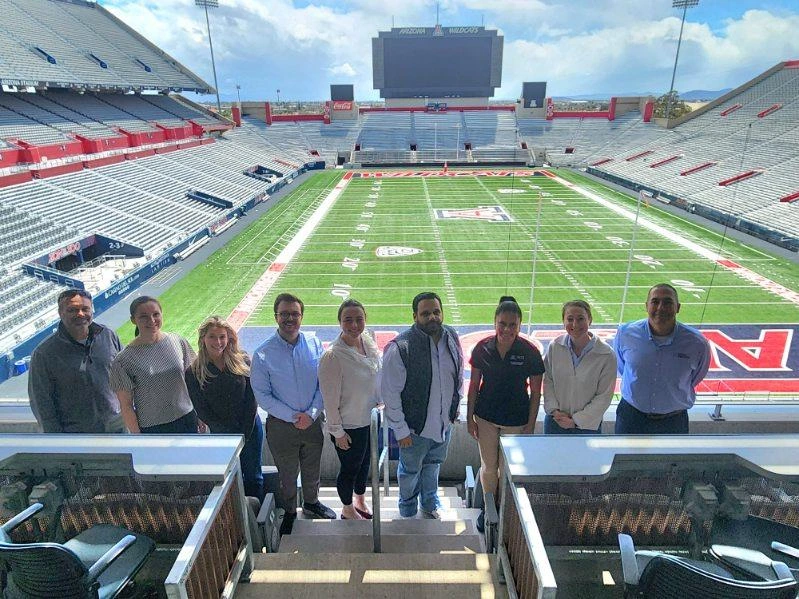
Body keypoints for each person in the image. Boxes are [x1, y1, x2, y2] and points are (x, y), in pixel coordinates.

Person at [251, 293, 335, 534]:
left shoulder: (314, 343)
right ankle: (289, 511)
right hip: (281, 425)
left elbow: (323, 382)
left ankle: (311, 503)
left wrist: (312, 412)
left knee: (312, 467)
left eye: (295, 314)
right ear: (276, 316)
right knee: (287, 474)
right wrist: (293, 416)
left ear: (302, 316)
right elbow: (262, 394)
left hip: (313, 420)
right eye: (284, 314)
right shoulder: (263, 353)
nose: (290, 318)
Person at [382, 291, 464, 519]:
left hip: (443, 424)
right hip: (414, 428)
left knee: (433, 465)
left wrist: (453, 411)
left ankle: (429, 504)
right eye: (425, 313)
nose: (432, 317)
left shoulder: (451, 336)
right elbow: (390, 394)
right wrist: (400, 429)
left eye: (436, 312)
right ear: (415, 316)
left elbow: (457, 377)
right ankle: (407, 511)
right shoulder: (401, 347)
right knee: (409, 471)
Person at [467, 296, 544, 530]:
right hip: (486, 416)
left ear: (520, 325)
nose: (507, 329)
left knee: (508, 467)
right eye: (503, 323)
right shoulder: (482, 348)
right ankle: (489, 511)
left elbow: (536, 394)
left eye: (512, 324)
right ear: (495, 323)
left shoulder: (529, 352)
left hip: (516, 418)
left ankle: (505, 509)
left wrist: (530, 424)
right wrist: (469, 417)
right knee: (489, 466)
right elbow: (473, 386)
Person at [614, 283, 711, 434]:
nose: (660, 307)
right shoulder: (625, 334)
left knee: (670, 459)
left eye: (667, 302)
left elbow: (696, 376)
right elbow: (623, 367)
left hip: (674, 421)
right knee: (626, 458)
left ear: (678, 307)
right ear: (646, 306)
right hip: (631, 417)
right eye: (655, 302)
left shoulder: (696, 343)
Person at [185, 316, 264, 501]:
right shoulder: (194, 371)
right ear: (203, 338)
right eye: (212, 336)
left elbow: (252, 399)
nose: (218, 342)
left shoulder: (242, 359)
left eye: (222, 336)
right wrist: (226, 433)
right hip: (222, 435)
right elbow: (201, 409)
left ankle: (256, 521)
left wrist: (244, 432)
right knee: (228, 479)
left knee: (254, 476)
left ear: (229, 338)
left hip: (251, 428)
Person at [28, 289, 125, 433]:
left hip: (118, 427)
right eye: (72, 310)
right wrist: (58, 440)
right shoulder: (44, 354)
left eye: (85, 309)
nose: (80, 314)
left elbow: (124, 375)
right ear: (61, 313)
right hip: (77, 434)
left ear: (91, 310)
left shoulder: (108, 336)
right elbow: (41, 403)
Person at [318, 299, 380, 520]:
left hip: (369, 419)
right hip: (348, 425)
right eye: (348, 320)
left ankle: (360, 500)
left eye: (359, 319)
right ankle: (346, 508)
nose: (354, 325)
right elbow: (329, 398)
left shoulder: (367, 341)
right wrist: (338, 432)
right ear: (339, 322)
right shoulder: (333, 356)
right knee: (350, 469)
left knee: (365, 465)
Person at [110, 296, 199, 434]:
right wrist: (138, 437)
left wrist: (200, 415)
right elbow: (126, 406)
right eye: (143, 316)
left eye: (156, 314)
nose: (151, 320)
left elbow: (193, 382)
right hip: (153, 428)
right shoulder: (123, 360)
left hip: (187, 418)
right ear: (133, 320)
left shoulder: (178, 341)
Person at [543, 300, 617, 434]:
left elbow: (603, 397)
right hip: (555, 421)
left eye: (581, 318)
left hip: (587, 426)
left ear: (590, 320)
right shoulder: (555, 347)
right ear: (563, 321)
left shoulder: (606, 355)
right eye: (570, 319)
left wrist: (576, 421)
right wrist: (554, 411)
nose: (575, 324)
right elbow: (548, 381)